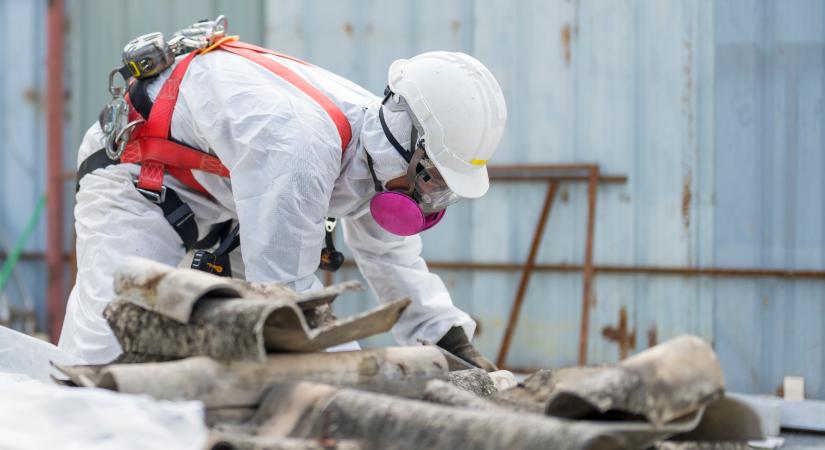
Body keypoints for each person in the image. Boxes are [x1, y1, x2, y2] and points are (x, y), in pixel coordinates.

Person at [58, 33, 508, 370]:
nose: (429, 201)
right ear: (408, 140)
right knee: (105, 349)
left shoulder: (378, 152)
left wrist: (448, 340)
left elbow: (391, 257)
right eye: (432, 179)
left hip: (227, 197)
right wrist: (369, 373)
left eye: (444, 191)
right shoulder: (301, 146)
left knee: (234, 357)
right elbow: (284, 295)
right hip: (140, 173)